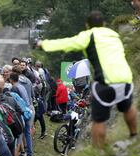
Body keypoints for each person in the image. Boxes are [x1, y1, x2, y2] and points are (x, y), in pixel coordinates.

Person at [38, 10, 137, 147]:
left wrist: (43, 44)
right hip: (125, 78)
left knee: (99, 120)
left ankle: (98, 151)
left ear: (87, 25)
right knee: (128, 107)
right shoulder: (114, 35)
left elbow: (66, 43)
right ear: (104, 23)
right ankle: (134, 135)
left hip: (105, 81)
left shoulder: (88, 35)